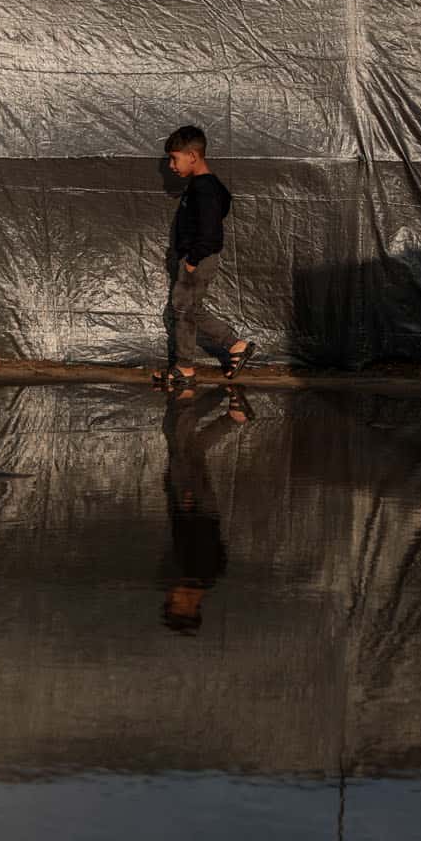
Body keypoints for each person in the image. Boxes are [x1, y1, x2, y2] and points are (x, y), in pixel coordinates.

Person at [158, 125, 254, 390]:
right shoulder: (204, 187)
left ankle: (194, 363)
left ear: (193, 156)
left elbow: (212, 234)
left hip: (198, 259)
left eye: (174, 158)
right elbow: (225, 201)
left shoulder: (205, 189)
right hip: (194, 257)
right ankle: (199, 361)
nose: (171, 165)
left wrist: (192, 258)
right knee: (187, 309)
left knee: (183, 309)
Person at [159, 383, 255, 634]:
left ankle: (232, 417)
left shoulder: (203, 576)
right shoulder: (199, 572)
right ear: (188, 605)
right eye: (175, 602)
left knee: (189, 446)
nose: (171, 596)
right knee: (181, 434)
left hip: (193, 506)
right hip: (195, 506)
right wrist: (189, 502)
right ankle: (221, 396)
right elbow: (200, 536)